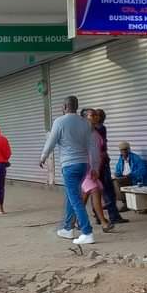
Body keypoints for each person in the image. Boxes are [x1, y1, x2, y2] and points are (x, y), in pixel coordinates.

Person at [40, 95, 99, 246]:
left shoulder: (59, 122)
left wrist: (43, 156)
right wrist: (94, 167)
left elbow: (51, 141)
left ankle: (87, 232)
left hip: (70, 165)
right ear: (76, 107)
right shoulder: (85, 123)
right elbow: (93, 146)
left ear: (65, 107)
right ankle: (67, 228)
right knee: (71, 195)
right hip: (83, 165)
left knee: (75, 199)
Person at [81, 110, 114, 233]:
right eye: (92, 115)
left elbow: (99, 152)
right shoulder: (82, 134)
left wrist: (97, 168)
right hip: (85, 168)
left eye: (96, 115)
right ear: (85, 119)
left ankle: (75, 220)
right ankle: (104, 222)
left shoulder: (96, 133)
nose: (96, 117)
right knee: (95, 191)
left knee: (85, 195)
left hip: (95, 169)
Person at [93, 109, 127, 225]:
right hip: (101, 164)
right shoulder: (100, 128)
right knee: (108, 191)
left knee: (96, 191)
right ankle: (113, 216)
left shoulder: (92, 129)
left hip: (95, 164)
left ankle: (98, 216)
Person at [114, 142, 147, 210]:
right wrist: (117, 174)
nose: (124, 152)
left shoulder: (136, 158)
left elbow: (143, 170)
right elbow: (118, 170)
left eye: (125, 150)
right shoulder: (121, 159)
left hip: (134, 179)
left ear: (129, 150)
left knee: (119, 182)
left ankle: (125, 204)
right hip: (125, 177)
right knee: (113, 181)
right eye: (122, 150)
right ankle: (113, 203)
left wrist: (131, 175)